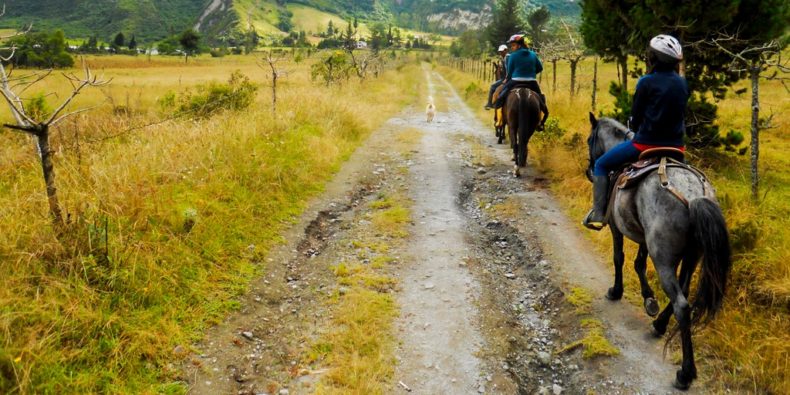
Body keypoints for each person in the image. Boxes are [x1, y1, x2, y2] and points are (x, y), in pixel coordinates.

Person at [583, 34, 689, 230]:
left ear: (653, 58)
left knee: (601, 164)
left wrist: (635, 125)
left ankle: (598, 213)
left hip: (644, 144)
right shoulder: (682, 83)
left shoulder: (646, 82)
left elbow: (636, 117)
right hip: (676, 147)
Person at [494, 34, 549, 130]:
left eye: (513, 45)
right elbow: (540, 68)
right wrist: (531, 73)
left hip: (515, 81)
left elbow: (510, 72)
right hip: (532, 82)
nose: (512, 47)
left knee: (500, 97)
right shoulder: (533, 54)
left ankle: (499, 120)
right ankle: (540, 121)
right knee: (541, 97)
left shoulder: (513, 56)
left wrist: (507, 79)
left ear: (519, 45)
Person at [484, 45, 509, 110]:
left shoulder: (507, 58)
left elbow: (508, 70)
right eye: (500, 52)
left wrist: (505, 78)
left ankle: (489, 104)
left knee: (492, 86)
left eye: (502, 51)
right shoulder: (504, 58)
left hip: (506, 78)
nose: (501, 53)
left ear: (506, 50)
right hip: (506, 77)